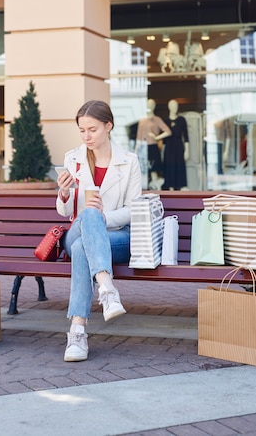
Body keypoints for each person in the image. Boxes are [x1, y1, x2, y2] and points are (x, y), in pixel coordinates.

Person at [56, 100, 142, 362]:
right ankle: (107, 290)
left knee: (85, 246)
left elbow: (133, 210)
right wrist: (64, 193)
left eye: (92, 130)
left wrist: (102, 217)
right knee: (87, 220)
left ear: (109, 126)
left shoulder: (129, 162)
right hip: (77, 231)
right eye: (82, 130)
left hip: (115, 235)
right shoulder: (73, 159)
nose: (86, 136)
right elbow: (63, 211)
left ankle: (77, 331)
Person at [135, 98, 171, 190]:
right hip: (143, 148)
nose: (149, 106)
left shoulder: (157, 119)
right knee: (143, 170)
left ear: (154, 106)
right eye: (148, 104)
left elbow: (168, 131)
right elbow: (138, 137)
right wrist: (136, 151)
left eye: (151, 104)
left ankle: (156, 189)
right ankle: (143, 189)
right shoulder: (142, 120)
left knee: (153, 169)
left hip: (152, 147)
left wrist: (156, 137)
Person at [162, 99, 189, 190]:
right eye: (173, 106)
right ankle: (170, 187)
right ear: (169, 107)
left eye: (176, 106)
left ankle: (179, 186)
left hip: (178, 146)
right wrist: (162, 151)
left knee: (179, 165)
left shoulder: (181, 120)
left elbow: (186, 136)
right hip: (169, 147)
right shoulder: (165, 121)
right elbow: (164, 140)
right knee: (169, 166)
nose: (175, 108)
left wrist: (187, 150)